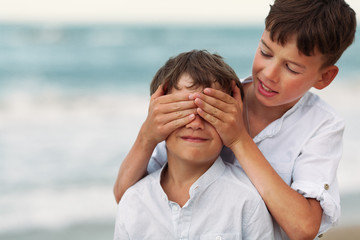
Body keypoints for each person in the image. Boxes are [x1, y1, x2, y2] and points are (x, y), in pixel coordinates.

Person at [113, 0, 357, 239]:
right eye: (265, 52)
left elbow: (303, 228)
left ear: (324, 77)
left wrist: (239, 140)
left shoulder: (322, 125)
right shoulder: (217, 98)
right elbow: (129, 198)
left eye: (291, 68)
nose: (269, 74)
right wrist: (147, 137)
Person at [114, 50, 274, 239]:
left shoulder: (246, 202)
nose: (196, 124)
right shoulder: (134, 201)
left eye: (210, 113)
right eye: (181, 111)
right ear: (157, 118)